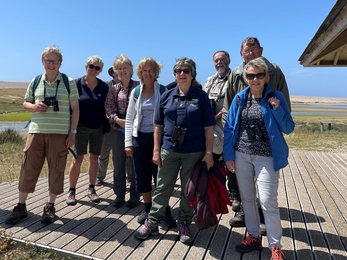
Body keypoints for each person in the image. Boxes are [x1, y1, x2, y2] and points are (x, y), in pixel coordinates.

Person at [134, 57, 215, 244]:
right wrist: (156, 150)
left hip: (193, 152)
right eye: (178, 71)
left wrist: (209, 153)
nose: (182, 74)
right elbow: (158, 126)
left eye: (186, 70)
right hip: (168, 150)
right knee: (162, 187)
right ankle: (153, 221)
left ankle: (184, 222)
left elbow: (209, 127)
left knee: (188, 190)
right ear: (174, 74)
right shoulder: (166, 96)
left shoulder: (200, 96)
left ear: (192, 73)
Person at [223, 57, 294, 259]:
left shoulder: (275, 96)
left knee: (267, 201)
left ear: (265, 77)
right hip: (241, 155)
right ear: (245, 78)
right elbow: (229, 129)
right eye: (251, 75)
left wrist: (277, 108)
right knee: (247, 199)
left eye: (259, 75)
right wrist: (229, 156)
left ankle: (275, 246)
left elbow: (288, 128)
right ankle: (253, 236)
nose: (255, 79)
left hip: (267, 157)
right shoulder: (239, 99)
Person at [5, 44, 79, 225]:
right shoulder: (36, 80)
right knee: (28, 168)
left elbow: (76, 109)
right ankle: (21, 206)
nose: (51, 64)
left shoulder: (69, 82)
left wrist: (72, 133)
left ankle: (50, 206)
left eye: (54, 61)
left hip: (59, 133)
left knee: (56, 169)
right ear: (42, 62)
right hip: (36, 131)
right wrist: (34, 107)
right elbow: (25, 103)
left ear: (60, 63)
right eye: (47, 60)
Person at [124, 57, 175, 227]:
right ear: (140, 72)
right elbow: (130, 118)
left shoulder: (163, 90)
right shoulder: (136, 92)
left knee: (161, 176)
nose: (148, 73)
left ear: (156, 72)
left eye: (151, 70)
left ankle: (165, 210)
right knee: (142, 176)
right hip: (140, 139)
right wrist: (128, 143)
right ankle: (147, 207)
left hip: (159, 139)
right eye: (144, 70)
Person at [66, 56, 109, 205]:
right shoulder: (76, 84)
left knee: (94, 159)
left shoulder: (104, 87)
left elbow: (108, 107)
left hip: (98, 128)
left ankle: (92, 189)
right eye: (91, 66)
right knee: (77, 159)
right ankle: (71, 191)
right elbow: (70, 107)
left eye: (97, 68)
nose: (93, 69)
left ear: (100, 71)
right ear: (86, 66)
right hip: (80, 128)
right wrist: (70, 129)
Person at [203, 50, 241, 212]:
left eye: (222, 59)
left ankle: (235, 195)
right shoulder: (209, 80)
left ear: (229, 60)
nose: (219, 63)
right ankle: (218, 192)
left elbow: (236, 102)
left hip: (228, 127)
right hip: (211, 129)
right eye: (216, 60)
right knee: (213, 160)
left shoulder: (235, 79)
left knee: (230, 161)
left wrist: (217, 115)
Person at [105, 54, 140, 208]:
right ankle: (119, 195)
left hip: (135, 131)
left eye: (125, 67)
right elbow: (108, 108)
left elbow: (144, 108)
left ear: (131, 69)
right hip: (117, 129)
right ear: (116, 71)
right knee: (118, 162)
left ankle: (135, 196)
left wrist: (132, 123)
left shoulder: (139, 87)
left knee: (134, 164)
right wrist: (117, 120)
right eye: (119, 68)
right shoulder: (114, 89)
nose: (122, 70)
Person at [96, 67, 120, 186]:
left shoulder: (129, 85)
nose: (118, 73)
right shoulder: (106, 86)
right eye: (116, 71)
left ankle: (129, 178)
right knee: (104, 152)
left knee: (125, 154)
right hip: (108, 125)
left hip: (123, 126)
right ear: (112, 74)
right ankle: (99, 177)